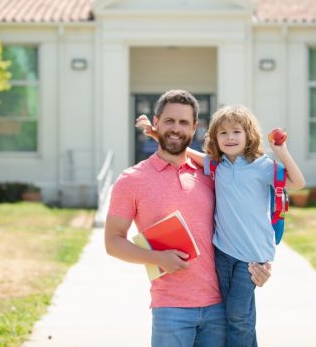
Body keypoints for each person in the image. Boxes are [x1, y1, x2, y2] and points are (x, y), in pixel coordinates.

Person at [105, 90, 272, 347]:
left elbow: (247, 219)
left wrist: (259, 266)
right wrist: (157, 258)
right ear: (156, 122)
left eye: (184, 123)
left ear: (195, 128)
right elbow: (113, 242)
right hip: (170, 309)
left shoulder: (215, 174)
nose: (176, 128)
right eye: (169, 121)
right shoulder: (132, 180)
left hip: (219, 307)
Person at [137, 104, 306, 347]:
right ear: (215, 138)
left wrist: (282, 152)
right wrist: (156, 135)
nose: (230, 138)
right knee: (236, 314)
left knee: (238, 315)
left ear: (249, 136)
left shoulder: (262, 166)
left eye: (236, 132)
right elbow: (188, 153)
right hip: (223, 252)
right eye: (223, 133)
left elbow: (298, 182)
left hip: (252, 255)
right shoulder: (217, 165)